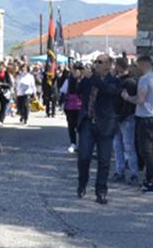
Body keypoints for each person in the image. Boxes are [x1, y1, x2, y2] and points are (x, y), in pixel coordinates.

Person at [76, 55, 121, 204]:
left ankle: (101, 191)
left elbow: (110, 91)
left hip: (106, 125)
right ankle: (82, 182)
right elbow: (77, 90)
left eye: (100, 62)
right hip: (88, 122)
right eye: (96, 62)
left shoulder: (114, 80)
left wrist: (94, 79)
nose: (97, 65)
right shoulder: (90, 79)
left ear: (108, 65)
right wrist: (81, 77)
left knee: (104, 161)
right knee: (83, 157)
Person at [121, 55, 153, 194]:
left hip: (146, 116)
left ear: (143, 65)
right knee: (151, 150)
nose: (136, 68)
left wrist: (127, 98)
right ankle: (150, 180)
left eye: (137, 65)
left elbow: (140, 99)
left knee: (146, 151)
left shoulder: (145, 79)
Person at [112, 57, 139, 184]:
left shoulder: (130, 82)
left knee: (128, 146)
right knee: (117, 146)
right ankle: (120, 171)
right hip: (117, 118)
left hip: (126, 118)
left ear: (118, 66)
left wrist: (121, 117)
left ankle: (134, 173)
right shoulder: (118, 81)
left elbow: (129, 104)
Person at [59, 63, 84, 153]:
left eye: (75, 69)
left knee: (81, 126)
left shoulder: (85, 80)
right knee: (71, 125)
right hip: (70, 106)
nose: (73, 71)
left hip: (82, 106)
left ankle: (83, 143)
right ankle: (73, 143)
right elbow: (63, 91)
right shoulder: (69, 80)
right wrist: (61, 102)